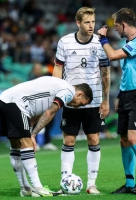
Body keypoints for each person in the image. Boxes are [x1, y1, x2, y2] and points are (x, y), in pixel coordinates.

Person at [0, 76, 93, 197]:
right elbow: (49, 112)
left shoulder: (59, 86)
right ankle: (37, 187)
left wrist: (30, 130)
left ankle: (25, 189)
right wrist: (33, 135)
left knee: (16, 146)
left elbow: (40, 112)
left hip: (4, 100)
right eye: (80, 104)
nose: (77, 107)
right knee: (26, 144)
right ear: (79, 94)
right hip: (17, 103)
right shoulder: (68, 91)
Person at [53, 7, 111, 194]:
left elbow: (105, 73)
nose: (91, 25)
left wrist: (106, 100)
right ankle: (64, 183)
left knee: (93, 139)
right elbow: (58, 68)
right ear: (78, 23)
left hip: (93, 101)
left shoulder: (100, 43)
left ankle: (91, 184)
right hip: (70, 100)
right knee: (69, 140)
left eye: (93, 22)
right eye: (87, 22)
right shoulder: (65, 42)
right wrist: (57, 93)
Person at [97, 8, 136, 195]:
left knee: (133, 138)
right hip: (127, 95)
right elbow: (127, 73)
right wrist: (120, 95)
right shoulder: (128, 43)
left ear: (123, 25)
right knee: (123, 140)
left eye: (116, 28)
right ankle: (129, 183)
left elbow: (112, 55)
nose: (115, 31)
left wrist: (103, 39)